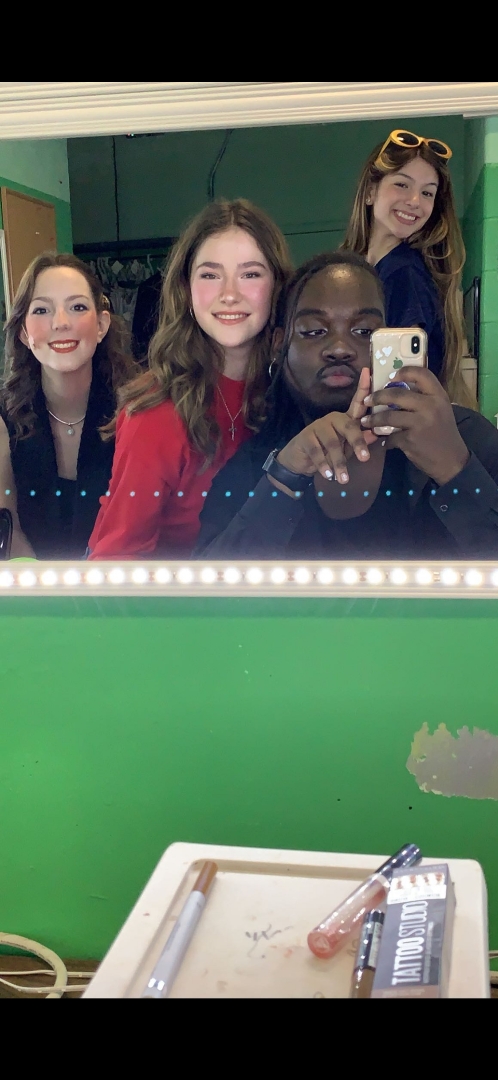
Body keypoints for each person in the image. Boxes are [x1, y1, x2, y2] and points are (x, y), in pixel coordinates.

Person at [195, 252, 498, 560]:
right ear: (279, 345)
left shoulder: (466, 438)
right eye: (314, 331)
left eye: (364, 331)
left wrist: (455, 470)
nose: (340, 349)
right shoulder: (253, 466)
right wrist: (283, 480)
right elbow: (205, 589)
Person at [87, 198, 292, 560]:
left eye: (250, 274)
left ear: (278, 285)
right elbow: (116, 561)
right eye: (210, 275)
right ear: (185, 288)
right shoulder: (155, 412)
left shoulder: (293, 395)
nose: (230, 294)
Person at [0, 253, 137, 559]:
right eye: (42, 310)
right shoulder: (3, 417)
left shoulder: (138, 409)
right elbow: (8, 532)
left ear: (101, 325)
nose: (61, 323)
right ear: (23, 332)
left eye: (77, 307)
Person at [342, 129, 474, 407]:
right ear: (370, 192)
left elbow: (400, 388)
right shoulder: (360, 271)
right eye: (402, 184)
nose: (415, 201)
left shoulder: (404, 273)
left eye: (427, 193)